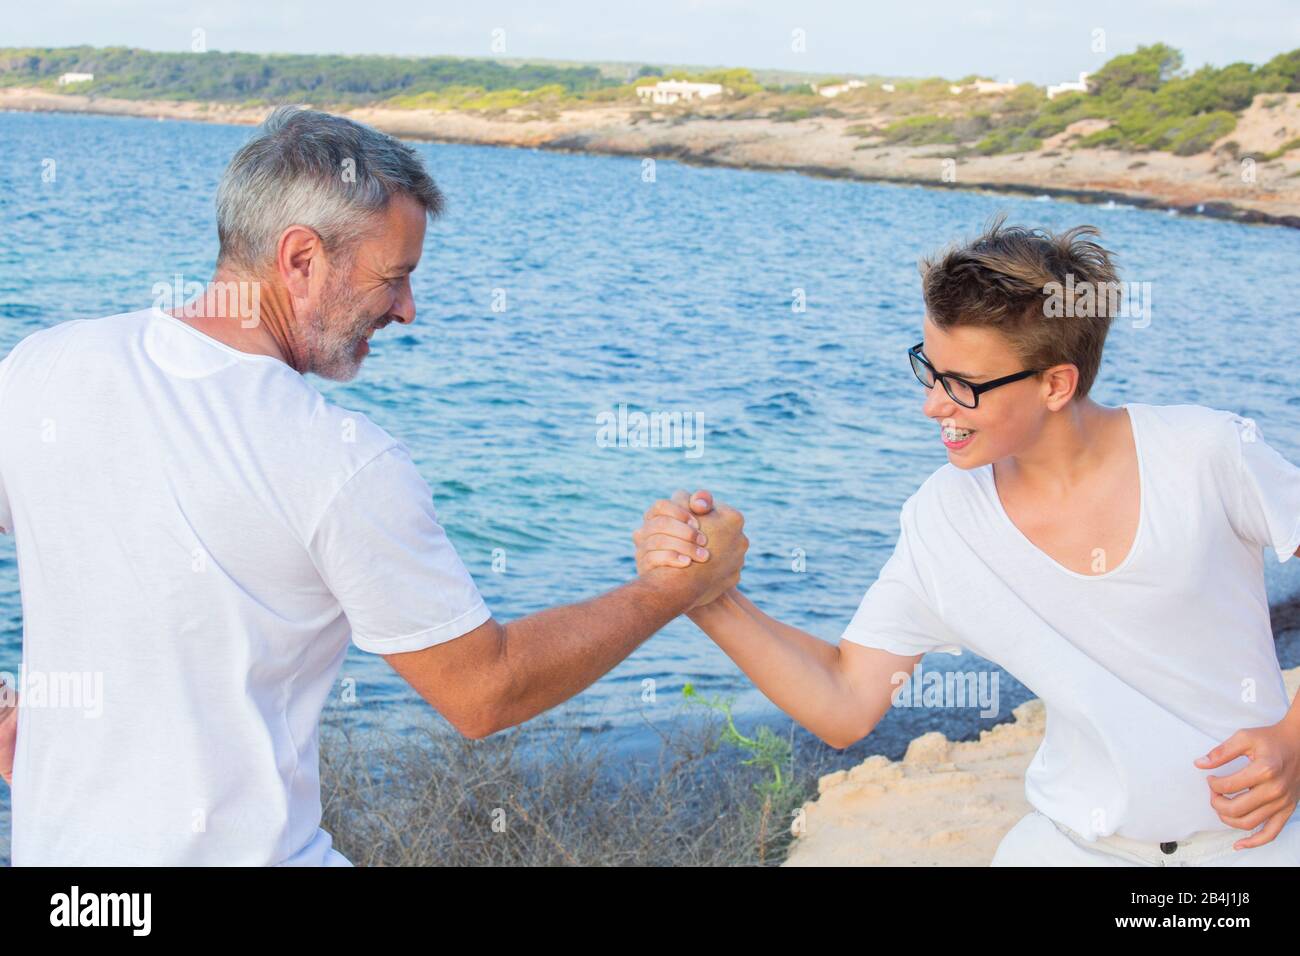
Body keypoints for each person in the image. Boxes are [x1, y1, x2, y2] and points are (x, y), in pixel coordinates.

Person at [0, 106, 746, 865]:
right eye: (394, 278)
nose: (407, 310)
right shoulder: (339, 459)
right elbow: (485, 691)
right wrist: (672, 589)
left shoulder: (44, 365)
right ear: (300, 259)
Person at [635, 217, 1300, 866]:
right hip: (1074, 847)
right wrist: (704, 594)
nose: (933, 404)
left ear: (1055, 384)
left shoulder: (1204, 453)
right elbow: (845, 700)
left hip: (1262, 846)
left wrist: (1293, 738)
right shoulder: (942, 521)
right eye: (930, 368)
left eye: (964, 386)